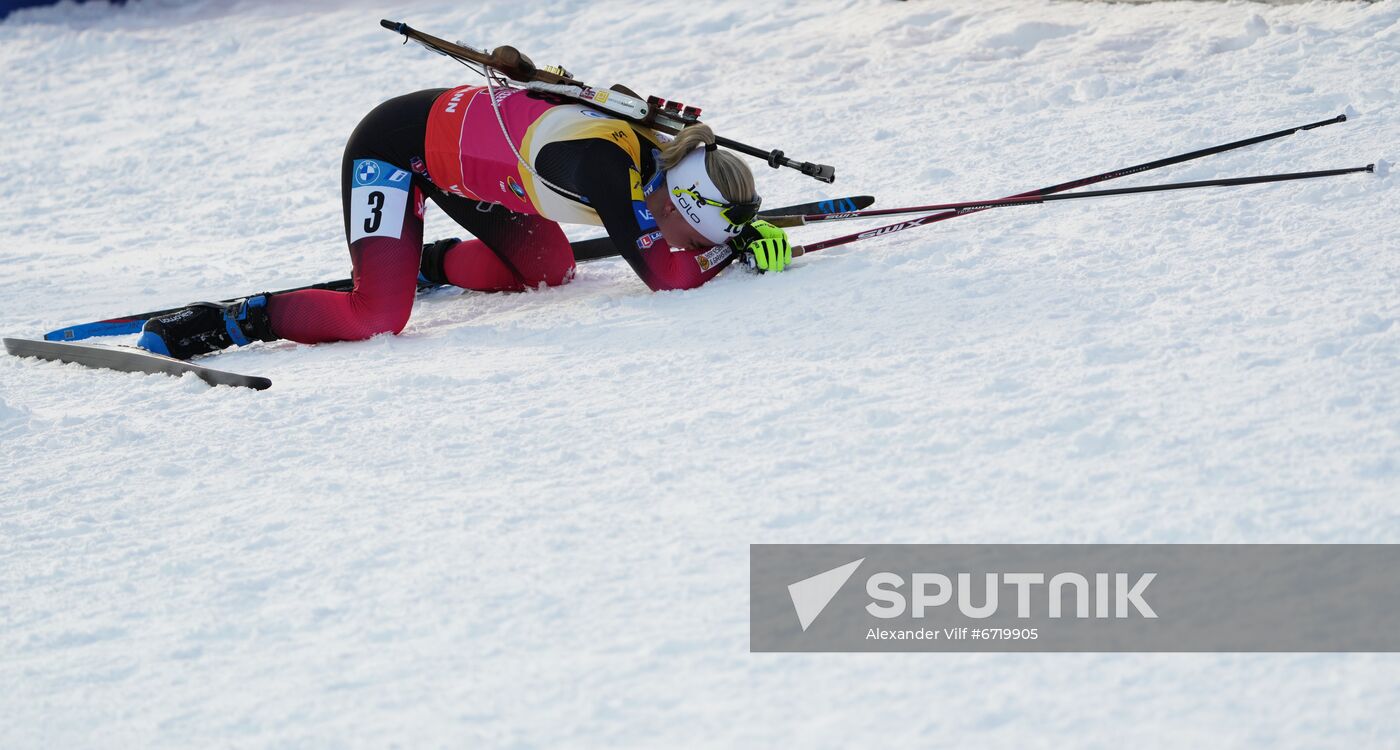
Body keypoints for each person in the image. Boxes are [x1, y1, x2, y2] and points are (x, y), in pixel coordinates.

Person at [137, 84, 794, 360]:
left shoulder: (664, 162)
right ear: (676, 202)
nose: (681, 243)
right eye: (692, 232)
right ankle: (236, 319)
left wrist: (736, 236)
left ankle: (427, 259)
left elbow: (680, 248)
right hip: (394, 150)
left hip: (467, 170)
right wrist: (732, 255)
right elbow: (669, 278)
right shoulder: (605, 166)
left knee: (553, 268)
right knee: (378, 317)